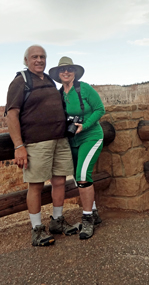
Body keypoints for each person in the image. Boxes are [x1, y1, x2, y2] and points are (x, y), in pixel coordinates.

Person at [6, 45, 78, 246]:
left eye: (42, 57)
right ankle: (37, 229)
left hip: (59, 140)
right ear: (26, 60)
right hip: (37, 143)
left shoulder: (47, 79)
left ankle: (57, 221)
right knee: (36, 185)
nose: (39, 60)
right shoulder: (21, 81)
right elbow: (12, 114)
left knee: (59, 181)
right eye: (35, 57)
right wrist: (18, 146)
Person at [49, 56, 105, 240]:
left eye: (70, 69)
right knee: (77, 175)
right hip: (71, 140)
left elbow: (99, 109)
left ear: (74, 72)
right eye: (63, 70)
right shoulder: (59, 94)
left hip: (91, 136)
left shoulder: (84, 88)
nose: (66, 72)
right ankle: (94, 213)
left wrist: (85, 125)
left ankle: (87, 218)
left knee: (82, 175)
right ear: (58, 74)